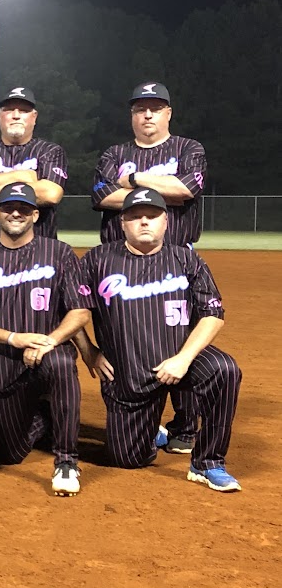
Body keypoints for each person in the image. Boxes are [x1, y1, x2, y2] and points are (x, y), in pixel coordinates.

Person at [72, 186, 241, 492]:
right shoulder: (97, 260)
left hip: (180, 359)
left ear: (166, 221)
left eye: (151, 215)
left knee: (224, 370)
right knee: (127, 459)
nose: (144, 222)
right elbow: (71, 309)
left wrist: (184, 359)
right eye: (135, 216)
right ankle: (151, 431)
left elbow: (213, 313)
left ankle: (208, 463)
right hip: (128, 371)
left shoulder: (186, 259)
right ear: (122, 223)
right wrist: (89, 352)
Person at [91, 82, 207, 453]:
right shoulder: (115, 152)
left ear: (168, 113)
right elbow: (102, 195)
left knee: (179, 339)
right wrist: (162, 189)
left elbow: (187, 189)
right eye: (140, 108)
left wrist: (134, 180)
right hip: (118, 263)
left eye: (155, 108)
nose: (147, 114)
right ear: (132, 115)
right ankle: (135, 415)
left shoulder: (188, 148)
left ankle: (185, 425)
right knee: (119, 342)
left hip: (175, 262)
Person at [0, 183, 91, 495]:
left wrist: (50, 341)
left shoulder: (59, 253)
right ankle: (46, 416)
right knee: (10, 453)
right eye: (8, 208)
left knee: (61, 364)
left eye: (24, 209)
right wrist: (14, 338)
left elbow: (80, 312)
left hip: (47, 354)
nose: (16, 213)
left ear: (35, 215)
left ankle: (66, 461)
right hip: (2, 362)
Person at [0, 86, 68, 244]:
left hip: (41, 252)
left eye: (24, 111)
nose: (16, 115)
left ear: (34, 117)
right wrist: (22, 176)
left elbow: (51, 194)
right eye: (9, 110)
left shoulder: (50, 151)